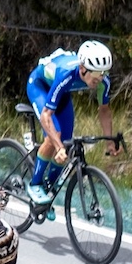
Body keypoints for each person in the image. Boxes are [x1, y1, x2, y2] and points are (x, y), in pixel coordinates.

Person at [25, 40, 121, 209]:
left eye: (104, 73)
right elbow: (47, 116)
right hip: (39, 87)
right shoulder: (66, 73)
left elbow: (104, 110)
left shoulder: (103, 81)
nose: (99, 79)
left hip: (61, 94)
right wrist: (57, 145)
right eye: (96, 73)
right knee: (55, 137)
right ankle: (35, 184)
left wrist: (109, 141)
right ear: (83, 68)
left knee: (67, 144)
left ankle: (47, 192)